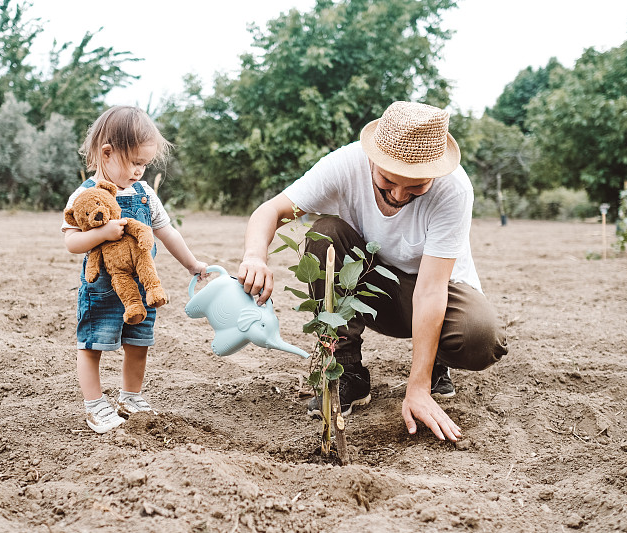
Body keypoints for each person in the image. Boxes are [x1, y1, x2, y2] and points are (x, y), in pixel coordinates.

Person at [238, 101, 508, 442]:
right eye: (387, 181)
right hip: (368, 285)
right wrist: (255, 257)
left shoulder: (454, 189)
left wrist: (418, 387)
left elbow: (430, 290)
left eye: (415, 188)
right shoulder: (344, 164)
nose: (397, 195)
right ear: (372, 158)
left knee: (480, 336)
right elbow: (271, 210)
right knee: (325, 232)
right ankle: (347, 369)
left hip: (428, 291)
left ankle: (436, 364)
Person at [63, 106, 208, 434]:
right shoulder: (85, 195)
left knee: (139, 343)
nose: (140, 171)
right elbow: (71, 241)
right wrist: (102, 233)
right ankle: (94, 405)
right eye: (135, 163)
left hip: (140, 289)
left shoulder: (145, 195)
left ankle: (131, 397)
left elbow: (167, 231)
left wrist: (192, 264)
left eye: (145, 164)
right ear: (108, 153)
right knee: (91, 345)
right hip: (101, 289)